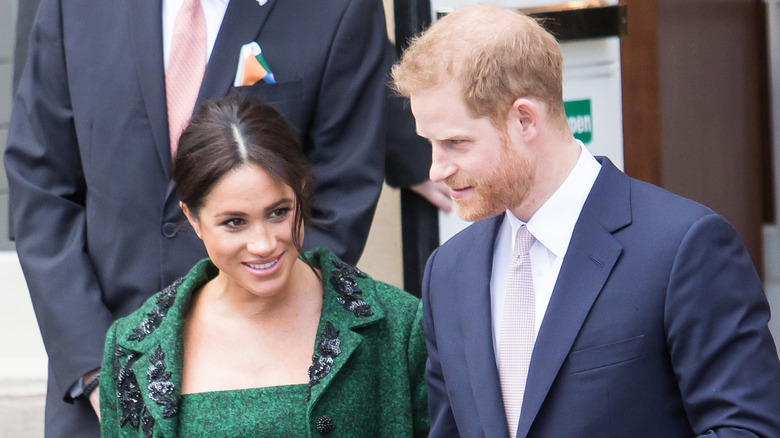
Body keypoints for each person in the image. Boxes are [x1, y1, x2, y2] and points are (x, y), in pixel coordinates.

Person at [392, 4, 780, 437]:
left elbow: (748, 429)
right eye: (430, 143)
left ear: (524, 119)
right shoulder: (447, 271)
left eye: (455, 143)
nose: (436, 169)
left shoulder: (683, 247)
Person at [4, 0, 389, 435]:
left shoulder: (340, 9)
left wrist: (254, 359)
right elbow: (40, 188)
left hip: (265, 395)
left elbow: (341, 193)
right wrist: (96, 371)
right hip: (99, 393)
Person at [96, 95, 428, 437]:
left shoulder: (398, 327)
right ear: (192, 218)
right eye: (234, 222)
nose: (264, 244)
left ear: (301, 193)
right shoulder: (133, 346)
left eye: (278, 212)